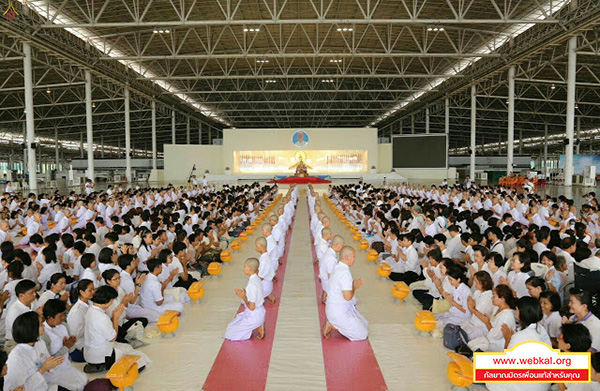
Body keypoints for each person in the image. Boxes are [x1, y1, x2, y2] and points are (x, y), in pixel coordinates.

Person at [487, 297, 551, 391]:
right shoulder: (541, 329)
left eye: (516, 309)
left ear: (521, 312)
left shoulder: (520, 336)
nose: (515, 312)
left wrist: (508, 340)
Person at [83, 286, 150, 373]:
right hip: (102, 355)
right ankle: (105, 365)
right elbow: (112, 338)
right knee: (139, 360)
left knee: (127, 346)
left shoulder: (91, 310)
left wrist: (115, 316)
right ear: (109, 300)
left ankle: (100, 365)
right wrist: (115, 318)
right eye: (112, 300)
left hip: (91, 352)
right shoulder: (101, 317)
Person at [4, 312, 64, 391]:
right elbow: (18, 389)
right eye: (40, 324)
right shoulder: (16, 358)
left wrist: (52, 364)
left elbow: (47, 361)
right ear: (31, 329)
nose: (44, 326)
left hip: (46, 385)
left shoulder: (39, 342)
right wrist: (42, 369)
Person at [323, 246, 369, 341]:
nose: (354, 259)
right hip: (338, 312)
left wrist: (353, 285)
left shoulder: (337, 267)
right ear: (347, 257)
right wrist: (355, 287)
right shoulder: (344, 273)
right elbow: (348, 297)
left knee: (365, 324)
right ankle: (332, 325)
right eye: (354, 256)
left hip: (335, 308)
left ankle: (334, 322)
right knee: (363, 334)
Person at [41, 299, 88, 391]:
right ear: (50, 318)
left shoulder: (63, 326)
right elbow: (48, 362)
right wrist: (65, 347)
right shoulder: (44, 333)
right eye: (60, 316)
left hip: (66, 365)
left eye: (64, 314)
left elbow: (70, 350)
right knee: (75, 387)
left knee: (84, 381)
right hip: (53, 371)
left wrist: (71, 344)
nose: (63, 318)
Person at [224, 258, 265, 341]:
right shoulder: (256, 278)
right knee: (231, 324)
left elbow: (252, 307)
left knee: (229, 334)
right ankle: (258, 324)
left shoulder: (252, 285)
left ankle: (257, 325)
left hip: (254, 315)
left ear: (250, 269)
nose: (243, 268)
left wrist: (243, 297)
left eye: (245, 266)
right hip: (260, 312)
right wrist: (245, 293)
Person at [5, 279, 38, 352]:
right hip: (15, 342)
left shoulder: (33, 303)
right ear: (21, 295)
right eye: (31, 293)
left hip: (31, 338)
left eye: (35, 292)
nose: (35, 295)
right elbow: (20, 334)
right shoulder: (15, 310)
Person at [66, 279, 94, 362]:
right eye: (90, 290)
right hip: (81, 346)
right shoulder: (77, 311)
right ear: (82, 292)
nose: (93, 292)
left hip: (91, 340)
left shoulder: (90, 303)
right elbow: (76, 334)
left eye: (93, 289)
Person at [255, 237, 276, 304]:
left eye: (256, 245)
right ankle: (266, 294)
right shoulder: (265, 256)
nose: (255, 247)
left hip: (265, 285)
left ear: (262, 246)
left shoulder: (264, 260)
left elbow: (260, 277)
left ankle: (266, 294)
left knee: (247, 300)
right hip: (267, 284)